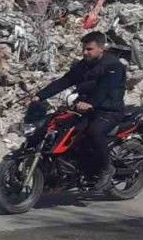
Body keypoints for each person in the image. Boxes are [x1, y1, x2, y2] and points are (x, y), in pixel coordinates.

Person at [22, 31, 126, 192]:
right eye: (84, 49)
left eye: (89, 49)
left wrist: (90, 103)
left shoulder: (113, 66)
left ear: (101, 48)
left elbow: (105, 88)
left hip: (109, 110)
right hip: (85, 108)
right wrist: (39, 96)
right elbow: (65, 81)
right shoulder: (84, 65)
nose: (85, 52)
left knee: (94, 132)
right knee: (58, 127)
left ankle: (107, 168)